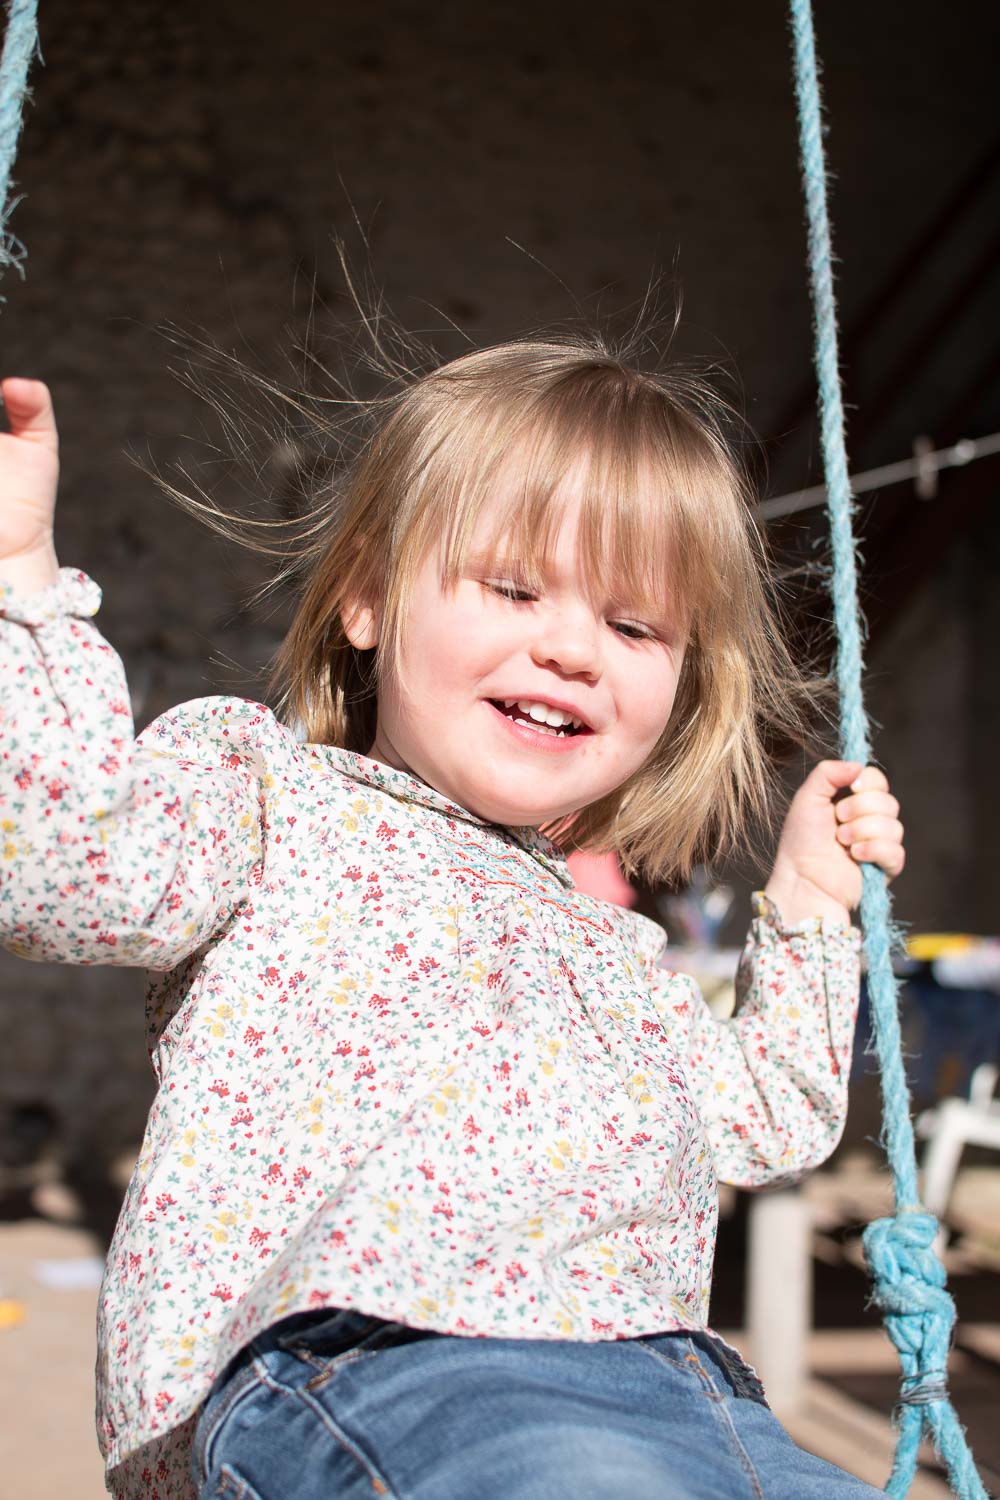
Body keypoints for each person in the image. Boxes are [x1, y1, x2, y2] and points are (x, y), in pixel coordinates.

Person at [0, 344, 905, 1500]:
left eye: (635, 629)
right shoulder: (266, 799)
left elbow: (765, 1119)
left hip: (677, 1398)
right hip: (374, 1362)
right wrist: (23, 578)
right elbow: (61, 875)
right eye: (515, 589)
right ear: (368, 597)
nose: (573, 650)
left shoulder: (604, 946)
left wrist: (815, 900)